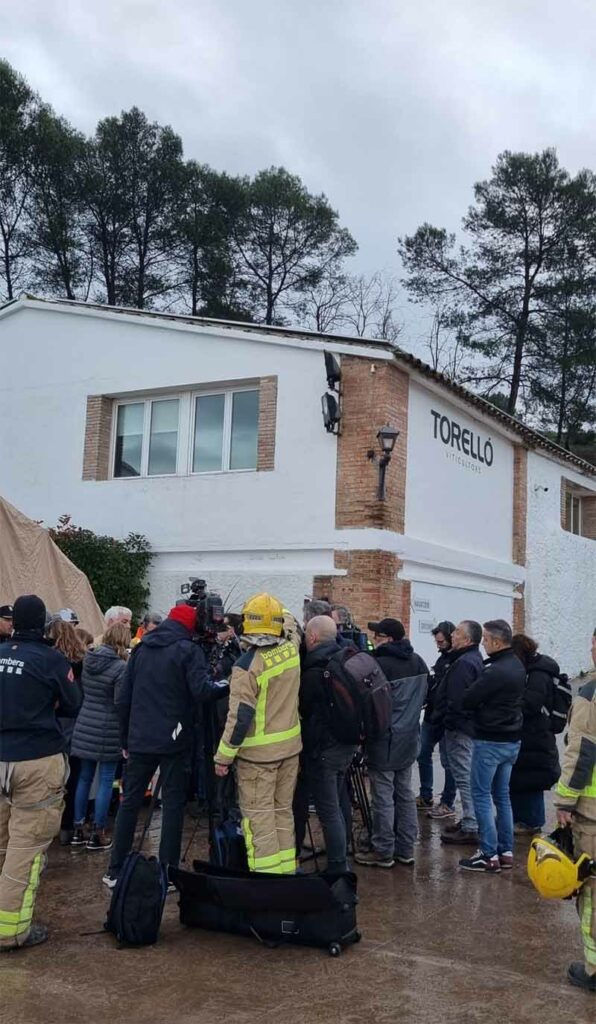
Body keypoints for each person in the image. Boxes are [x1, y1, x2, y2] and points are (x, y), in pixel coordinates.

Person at [103, 605, 226, 888]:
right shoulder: (187, 650)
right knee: (172, 804)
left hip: (139, 738)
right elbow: (202, 690)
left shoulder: (142, 648)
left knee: (130, 803)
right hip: (174, 739)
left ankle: (115, 869)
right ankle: (168, 872)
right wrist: (225, 683)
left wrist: (125, 738)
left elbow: (124, 698)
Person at [0, 595, 81, 951]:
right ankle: (12, 929)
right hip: (36, 760)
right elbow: (74, 703)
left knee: (2, 844)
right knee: (26, 848)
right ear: (44, 624)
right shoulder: (51, 659)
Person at [214, 593, 301, 875]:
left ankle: (266, 883)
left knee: (259, 822)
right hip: (290, 751)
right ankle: (287, 873)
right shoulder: (290, 649)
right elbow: (292, 626)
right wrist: (279, 609)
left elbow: (239, 718)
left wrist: (223, 758)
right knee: (282, 814)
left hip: (258, 759)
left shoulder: (246, 667)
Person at [355, 618, 428, 868]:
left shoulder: (377, 665)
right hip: (409, 737)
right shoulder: (418, 660)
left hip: (385, 739)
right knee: (405, 793)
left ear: (387, 639)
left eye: (377, 636)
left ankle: (383, 850)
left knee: (383, 796)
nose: (373, 640)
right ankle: (406, 848)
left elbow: (367, 704)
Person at [459, 619, 525, 873]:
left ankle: (488, 854)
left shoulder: (495, 670)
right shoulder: (516, 665)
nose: (483, 643)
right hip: (510, 740)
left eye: (486, 639)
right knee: (502, 796)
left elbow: (469, 698)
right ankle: (505, 851)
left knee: (482, 796)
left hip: (491, 740)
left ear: (497, 642)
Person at [553, 628, 596, 992]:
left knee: (593, 893)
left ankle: (595, 970)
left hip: (593, 815)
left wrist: (564, 801)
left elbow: (581, 754)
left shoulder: (590, 694)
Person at [297, 615, 357, 873]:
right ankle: (343, 851)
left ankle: (336, 866)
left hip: (325, 748)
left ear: (311, 637)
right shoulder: (346, 658)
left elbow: (304, 709)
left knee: (328, 809)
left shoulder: (315, 671)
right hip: (348, 742)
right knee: (340, 800)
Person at [70, 623, 131, 851]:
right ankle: (98, 831)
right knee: (106, 780)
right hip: (108, 727)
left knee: (84, 778)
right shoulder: (120, 668)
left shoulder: (88, 660)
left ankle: (78, 828)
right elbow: (119, 702)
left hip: (85, 722)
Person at [433, 621, 484, 846]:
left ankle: (472, 825)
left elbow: (458, 700)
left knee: (464, 776)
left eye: (458, 633)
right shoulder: (467, 659)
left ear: (469, 640)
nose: (452, 635)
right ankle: (469, 820)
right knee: (463, 774)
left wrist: (450, 722)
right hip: (462, 727)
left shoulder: (464, 663)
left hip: (460, 729)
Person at [509, 633, 561, 835]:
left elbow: (531, 704)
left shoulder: (538, 673)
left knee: (531, 780)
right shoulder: (535, 669)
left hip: (536, 736)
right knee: (523, 778)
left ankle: (531, 822)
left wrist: (508, 703)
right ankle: (522, 818)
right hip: (531, 735)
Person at [45, 619, 86, 846]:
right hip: (76, 720)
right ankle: (69, 825)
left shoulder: (49, 659)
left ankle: (51, 823)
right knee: (75, 776)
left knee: (53, 776)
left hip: (55, 721)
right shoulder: (82, 659)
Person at [417, 620, 456, 815]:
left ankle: (448, 801)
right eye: (437, 642)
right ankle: (426, 795)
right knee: (423, 753)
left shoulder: (457, 661)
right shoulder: (442, 660)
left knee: (448, 762)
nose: (438, 645)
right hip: (432, 715)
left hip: (445, 718)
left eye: (441, 642)